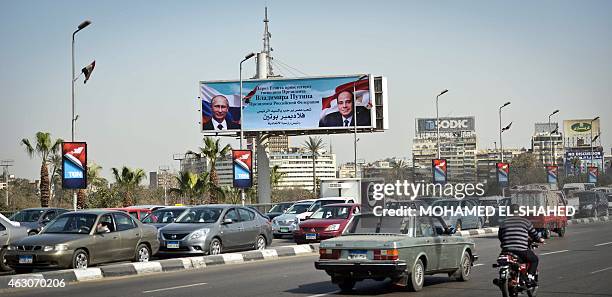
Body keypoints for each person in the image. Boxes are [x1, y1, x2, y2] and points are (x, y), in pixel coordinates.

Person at [498, 204, 544, 287]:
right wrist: (540, 239)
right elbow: (534, 234)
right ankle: (529, 278)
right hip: (521, 250)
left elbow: (500, 236)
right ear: (519, 212)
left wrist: (505, 242)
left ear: (509, 212)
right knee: (534, 259)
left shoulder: (503, 222)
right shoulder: (526, 222)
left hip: (506, 251)